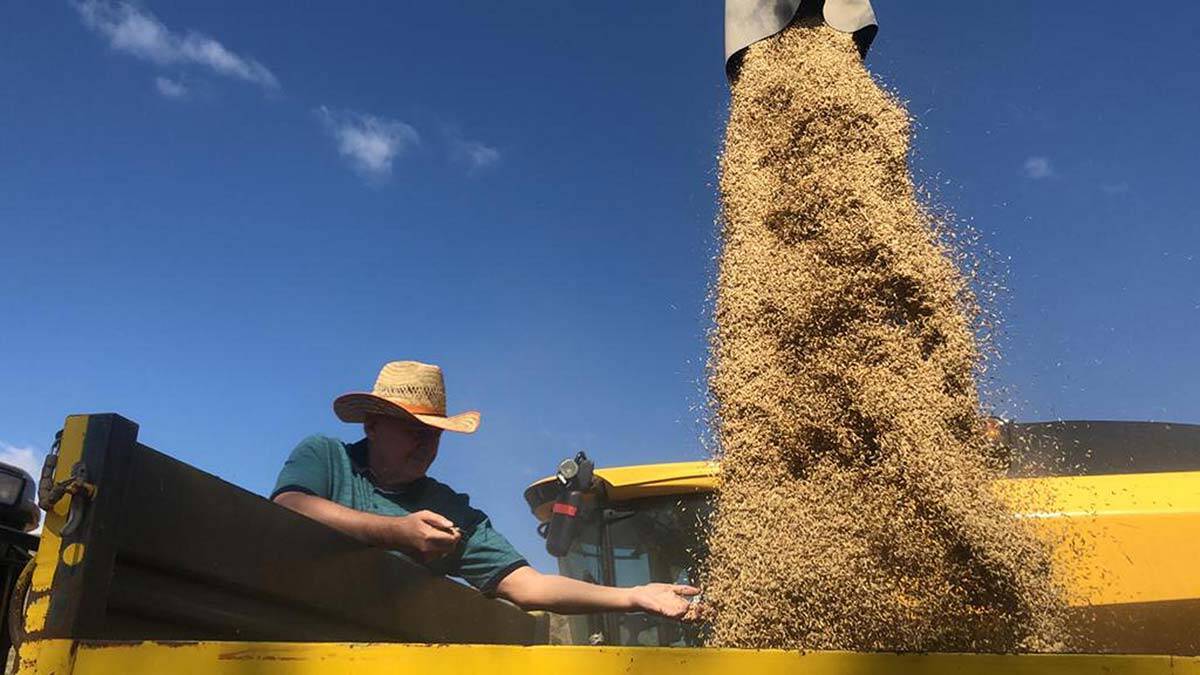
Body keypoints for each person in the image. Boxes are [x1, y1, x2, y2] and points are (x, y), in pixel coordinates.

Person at [271, 360, 698, 620]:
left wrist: (632, 596)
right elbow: (291, 506)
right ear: (372, 425)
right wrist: (397, 532)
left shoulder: (448, 509)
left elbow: (529, 587)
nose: (426, 444)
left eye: (434, 434)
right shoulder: (326, 457)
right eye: (413, 430)